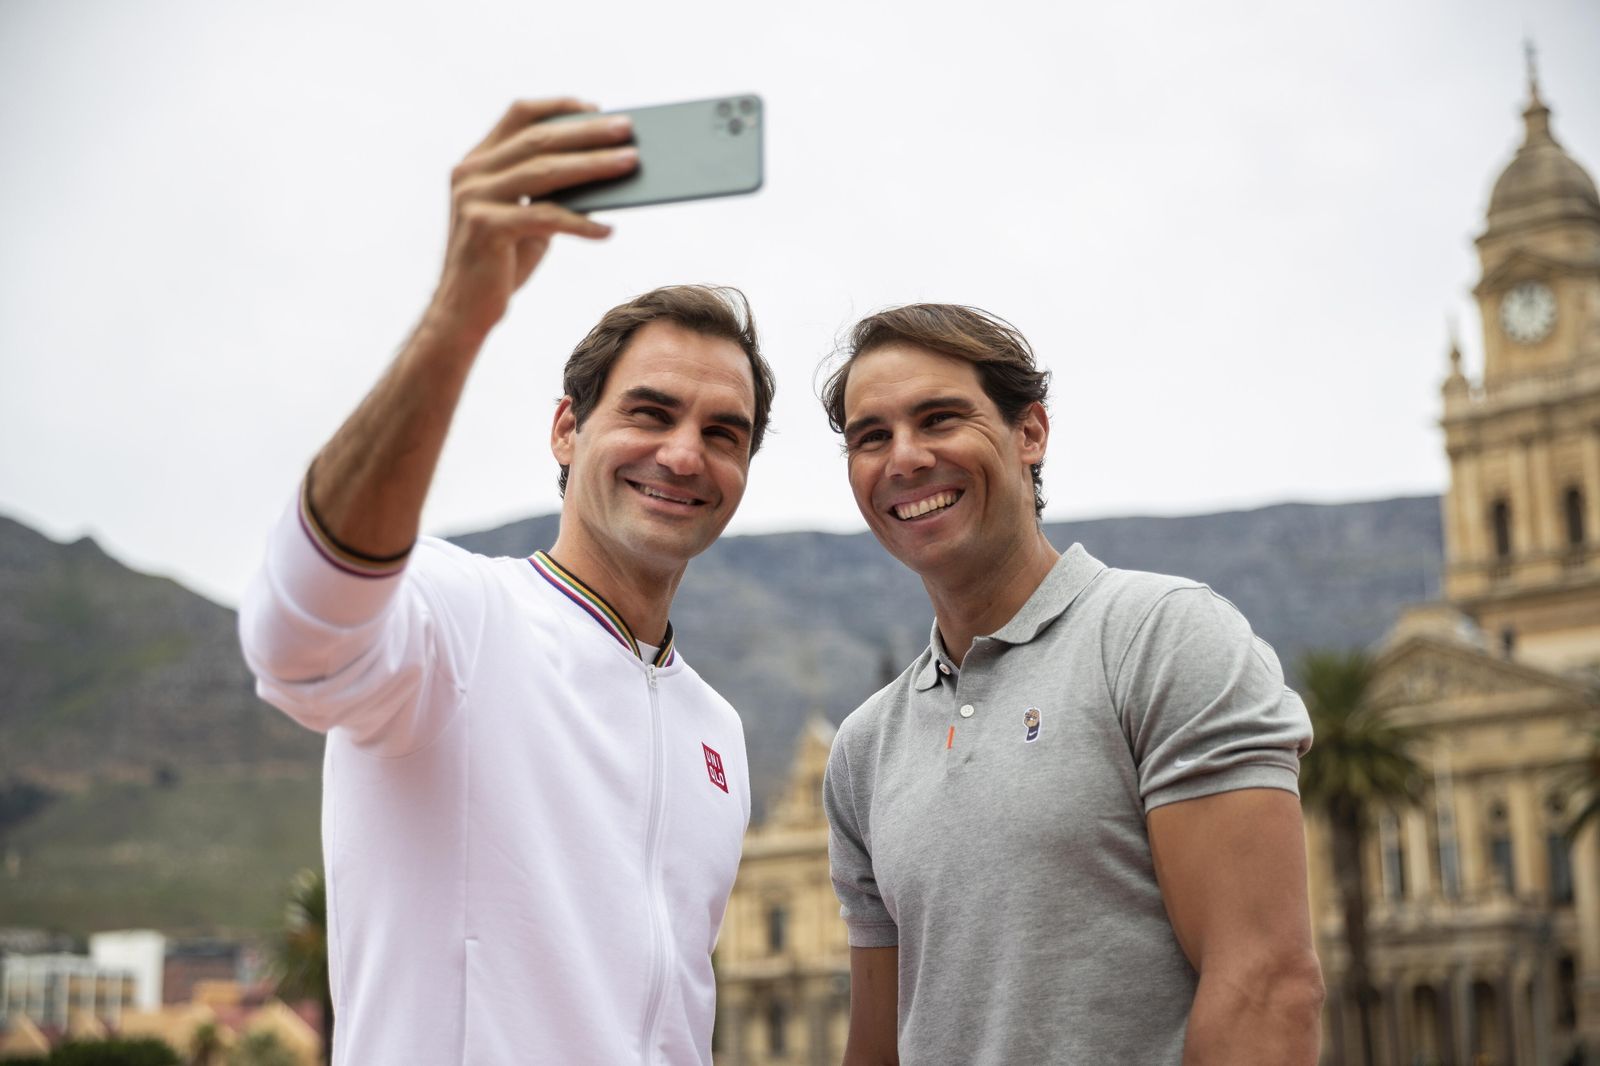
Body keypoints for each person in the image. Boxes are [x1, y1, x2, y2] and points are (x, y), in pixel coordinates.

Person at [238, 99, 776, 1065]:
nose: (684, 454)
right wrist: (460, 313)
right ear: (567, 430)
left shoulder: (720, 732)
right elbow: (297, 640)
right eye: (649, 413)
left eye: (722, 433)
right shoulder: (460, 617)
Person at [817, 304, 1324, 1065]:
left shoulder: (1161, 639)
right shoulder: (863, 750)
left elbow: (1266, 985)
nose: (906, 458)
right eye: (871, 437)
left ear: (1030, 432)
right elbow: (876, 1048)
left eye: (940, 419)